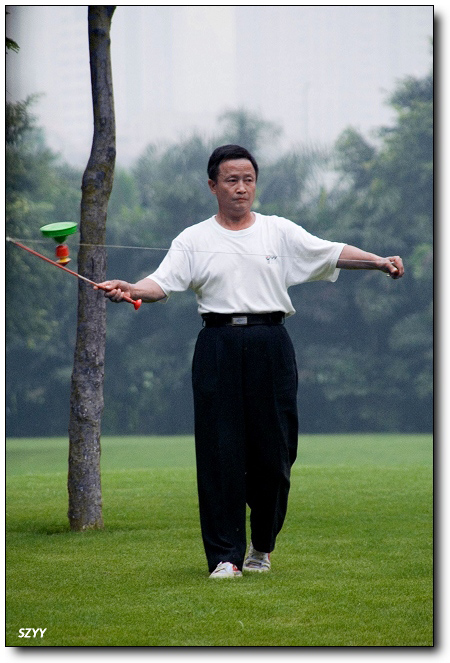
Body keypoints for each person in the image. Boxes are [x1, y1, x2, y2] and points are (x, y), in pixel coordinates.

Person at [97, 144, 404, 579]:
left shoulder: (278, 231)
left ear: (255, 184)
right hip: (217, 346)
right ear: (213, 186)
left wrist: (378, 262)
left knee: (275, 454)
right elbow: (160, 283)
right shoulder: (193, 239)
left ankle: (262, 545)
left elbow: (331, 252)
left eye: (248, 180)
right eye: (231, 180)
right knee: (220, 453)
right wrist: (130, 288)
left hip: (271, 343)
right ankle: (225, 557)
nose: (241, 188)